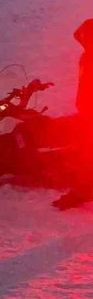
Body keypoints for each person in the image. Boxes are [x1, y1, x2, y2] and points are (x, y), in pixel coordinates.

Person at [52, 19, 93, 210]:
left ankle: (81, 191)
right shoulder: (85, 58)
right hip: (85, 113)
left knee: (85, 154)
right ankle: (82, 190)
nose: (85, 41)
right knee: (84, 154)